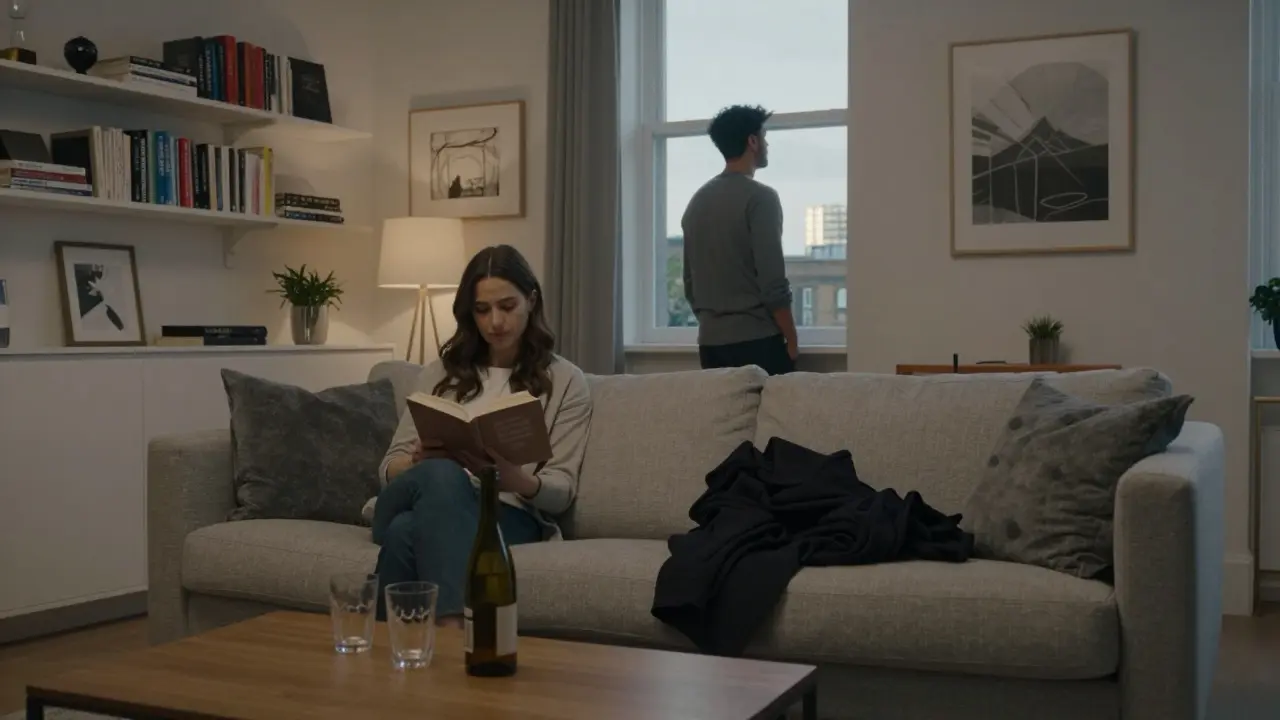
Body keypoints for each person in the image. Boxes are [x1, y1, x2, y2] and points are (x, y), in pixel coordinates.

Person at [369, 244, 593, 625]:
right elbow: (387, 469)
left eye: (507, 306)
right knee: (441, 475)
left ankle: (403, 648)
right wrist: (417, 463)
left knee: (405, 533)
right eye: (482, 310)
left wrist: (516, 479)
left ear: (531, 301)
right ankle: (457, 631)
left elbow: (562, 491)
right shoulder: (439, 373)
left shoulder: (566, 382)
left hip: (504, 514)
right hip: (413, 495)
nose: (495, 322)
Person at [681, 103, 799, 376]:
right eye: (764, 137)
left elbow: (690, 283)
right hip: (757, 343)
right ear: (752, 141)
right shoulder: (761, 198)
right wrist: (792, 339)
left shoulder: (697, 201)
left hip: (710, 345)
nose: (767, 144)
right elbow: (772, 282)